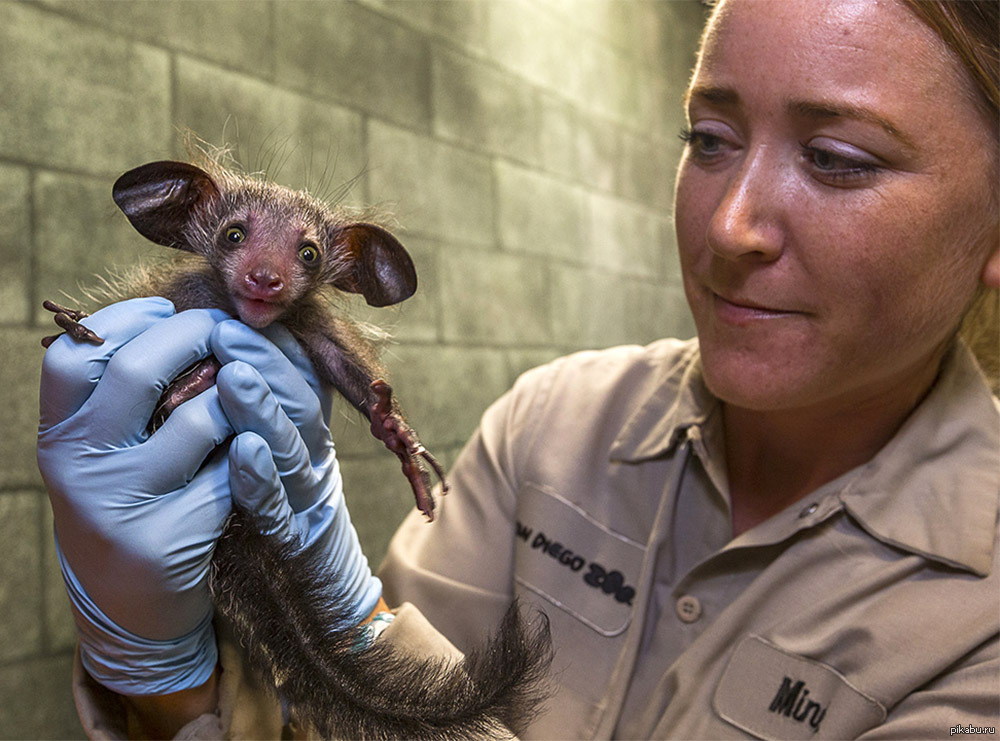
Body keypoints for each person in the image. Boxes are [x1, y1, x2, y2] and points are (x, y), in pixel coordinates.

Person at [38, 0, 999, 738]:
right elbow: (312, 722)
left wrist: (358, 621)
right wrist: (156, 667)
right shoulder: (554, 424)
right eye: (708, 139)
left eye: (836, 158)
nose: (729, 225)